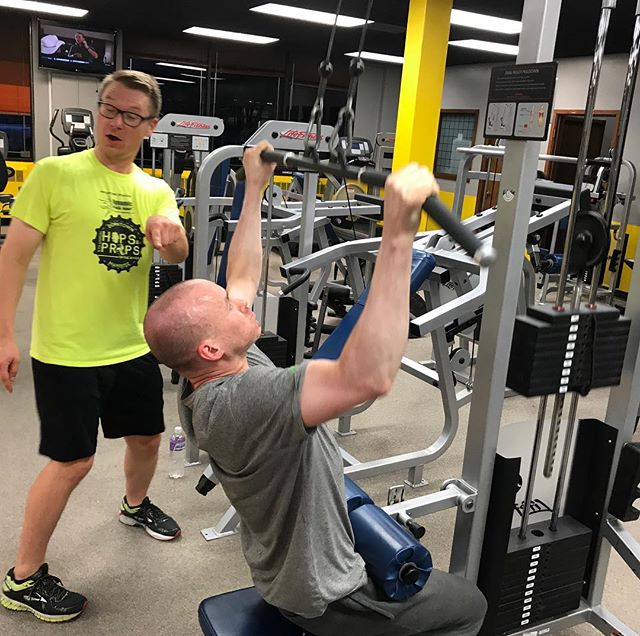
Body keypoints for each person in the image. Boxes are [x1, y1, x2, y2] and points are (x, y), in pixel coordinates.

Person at [143, 142, 488, 635]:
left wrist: (254, 186)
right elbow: (370, 377)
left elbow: (240, 278)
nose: (242, 303)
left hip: (284, 575)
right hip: (328, 597)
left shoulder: (218, 372)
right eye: (229, 309)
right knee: (469, 604)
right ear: (211, 350)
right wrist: (398, 234)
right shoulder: (246, 401)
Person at [0, 70, 188, 623]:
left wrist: (173, 236)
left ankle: (134, 506)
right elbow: (13, 256)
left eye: (132, 115)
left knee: (148, 439)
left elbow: (175, 256)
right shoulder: (55, 175)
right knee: (73, 461)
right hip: (66, 350)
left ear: (149, 127)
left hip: (131, 345)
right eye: (110, 108)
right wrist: (4, 332)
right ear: (97, 109)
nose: (116, 122)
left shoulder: (157, 190)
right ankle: (22, 578)